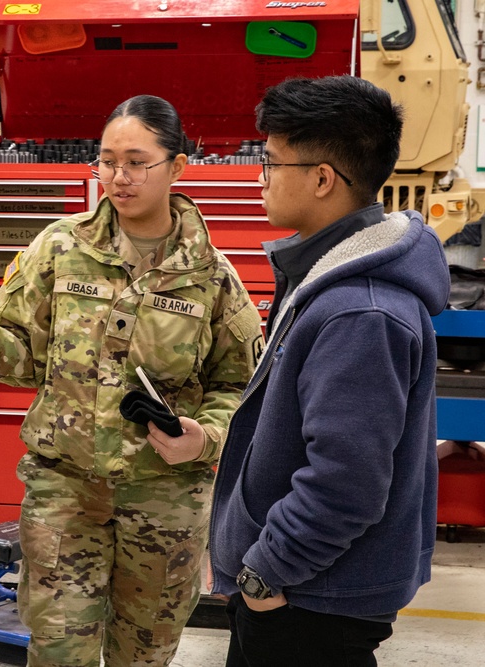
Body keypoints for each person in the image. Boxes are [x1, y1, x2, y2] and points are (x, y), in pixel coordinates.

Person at [0, 94, 261, 666]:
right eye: (106, 162)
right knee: (57, 651)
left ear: (177, 167)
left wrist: (206, 437)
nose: (117, 178)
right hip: (66, 494)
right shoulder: (58, 251)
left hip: (165, 503)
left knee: (143, 656)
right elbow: (13, 355)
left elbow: (240, 388)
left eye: (136, 162)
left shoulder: (213, 279)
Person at [209, 75, 451, 667]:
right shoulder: (329, 280)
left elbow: (346, 483)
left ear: (322, 178)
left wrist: (265, 576)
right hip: (306, 591)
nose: (259, 177)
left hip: (310, 601)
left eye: (270, 162)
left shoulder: (362, 310)